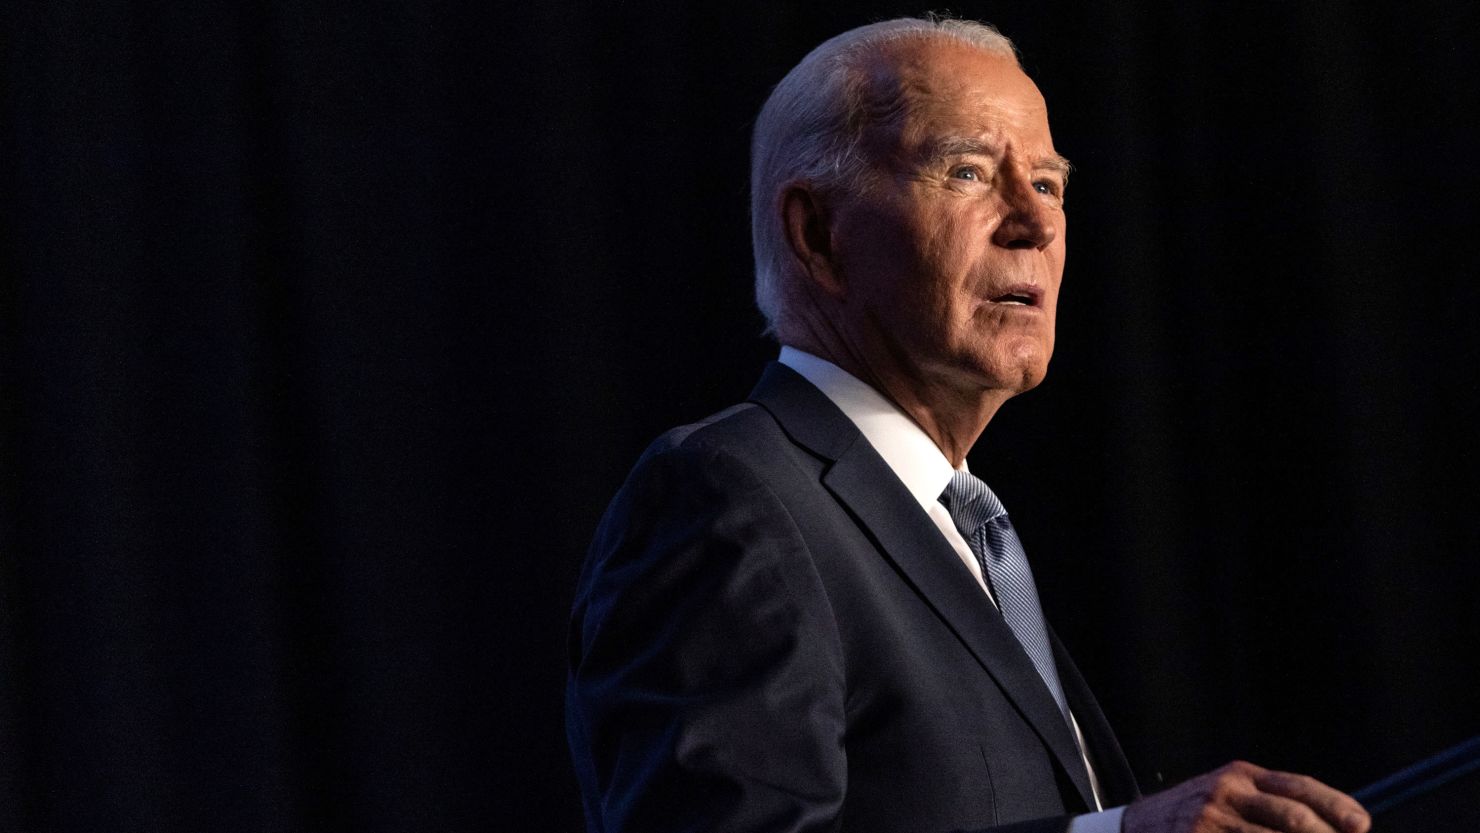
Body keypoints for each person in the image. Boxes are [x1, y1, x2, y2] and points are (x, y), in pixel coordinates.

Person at [567, 16, 1372, 833]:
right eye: (969, 172)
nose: (1037, 222)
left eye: (1051, 183)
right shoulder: (729, 497)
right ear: (817, 235)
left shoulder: (970, 533)